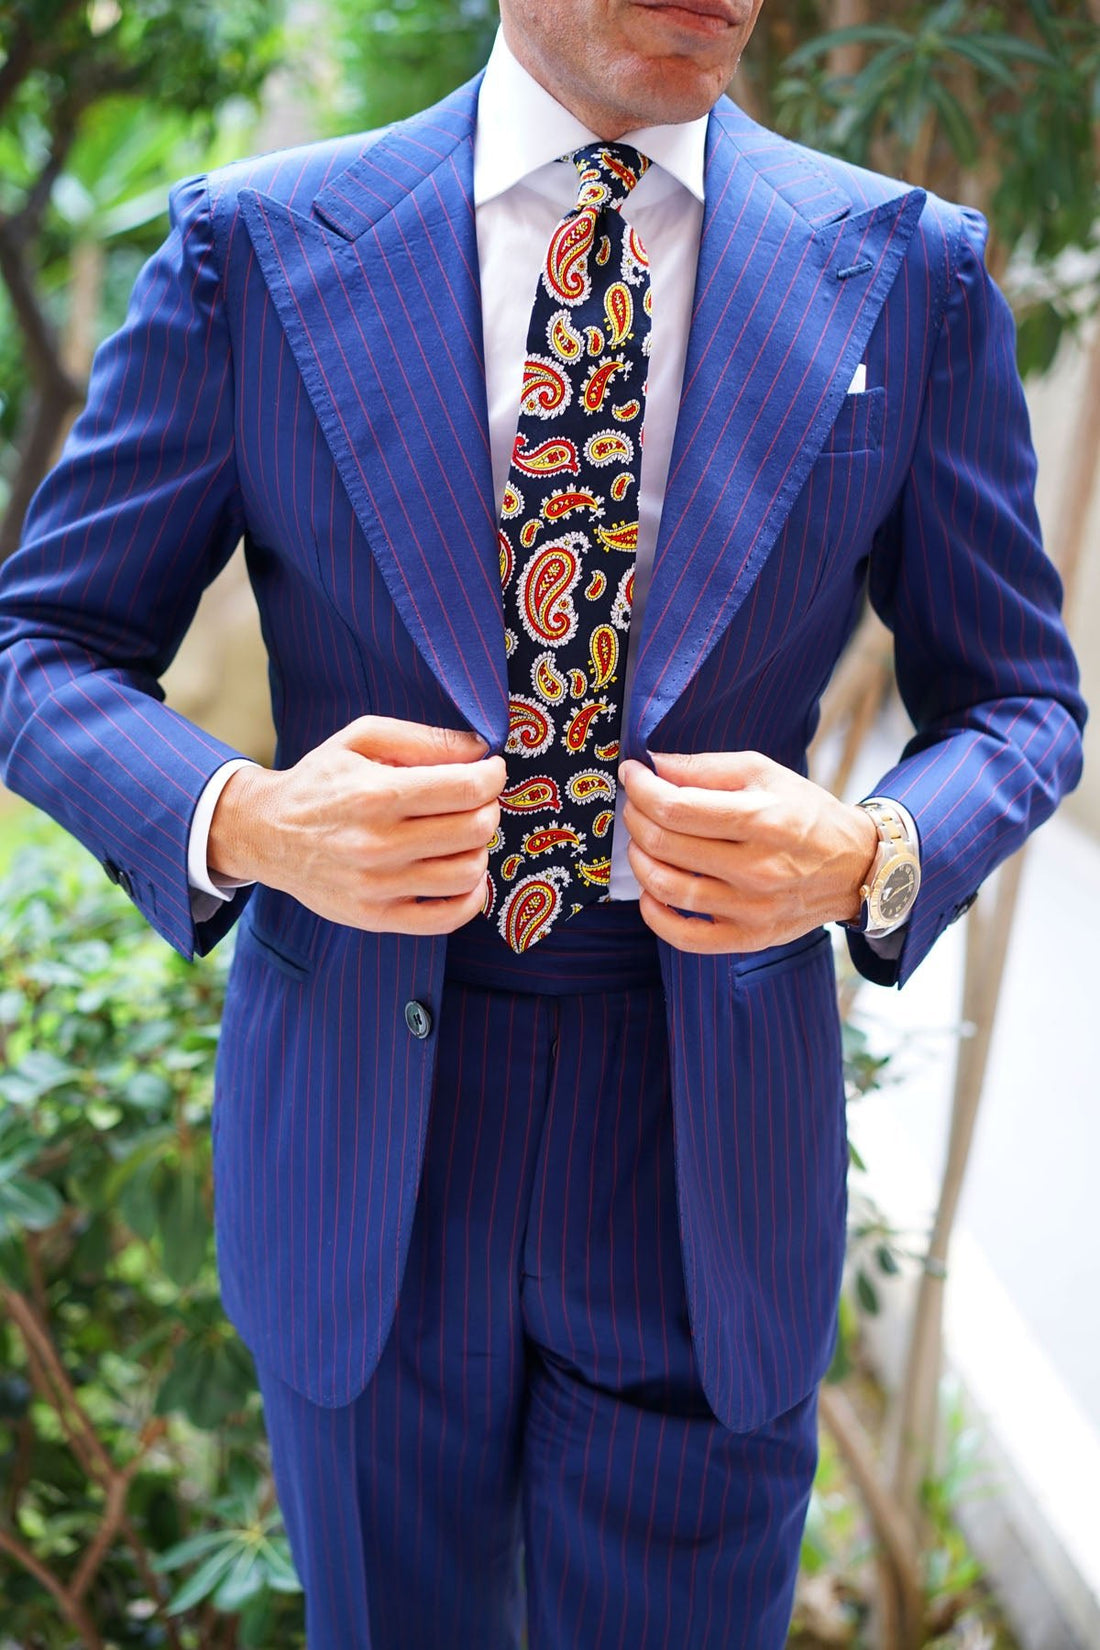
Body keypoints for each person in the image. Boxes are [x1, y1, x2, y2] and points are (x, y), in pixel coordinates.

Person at [0, 0, 1085, 1645]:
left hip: (706, 1146)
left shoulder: (904, 273)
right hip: (368, 1130)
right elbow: (44, 647)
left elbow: (1022, 702)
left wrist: (869, 851)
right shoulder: (259, 248)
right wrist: (253, 818)